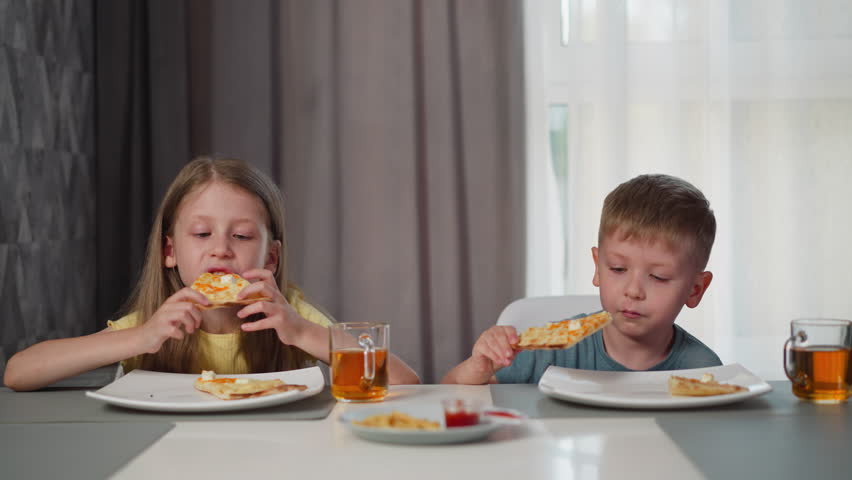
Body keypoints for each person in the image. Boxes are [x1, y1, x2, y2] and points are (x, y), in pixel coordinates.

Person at [4, 156, 420, 391]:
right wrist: (140, 336)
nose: (220, 247)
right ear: (170, 251)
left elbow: (405, 381)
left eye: (240, 235)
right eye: (202, 233)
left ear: (270, 259)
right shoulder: (156, 323)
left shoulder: (289, 313)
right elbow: (18, 373)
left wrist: (301, 333)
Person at [443, 173, 721, 384]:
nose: (634, 291)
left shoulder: (703, 371)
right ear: (598, 268)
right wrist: (477, 368)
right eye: (618, 269)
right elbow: (447, 394)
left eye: (659, 277)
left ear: (695, 290)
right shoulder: (550, 351)